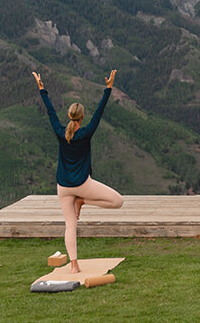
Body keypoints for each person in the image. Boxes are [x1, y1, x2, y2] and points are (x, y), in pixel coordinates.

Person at [33, 69, 124, 273]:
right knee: (118, 201)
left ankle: (74, 265)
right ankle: (83, 201)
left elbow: (50, 112)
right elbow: (99, 112)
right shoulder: (85, 133)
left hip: (63, 186)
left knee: (70, 225)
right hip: (83, 185)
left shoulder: (59, 132)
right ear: (81, 118)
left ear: (69, 116)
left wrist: (42, 89)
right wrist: (108, 88)